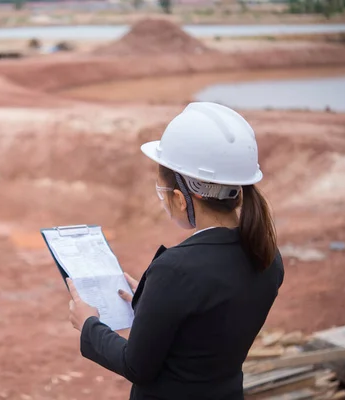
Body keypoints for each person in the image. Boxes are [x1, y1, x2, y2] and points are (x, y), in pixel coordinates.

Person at [66, 102, 284, 400]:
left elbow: (137, 365)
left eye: (162, 192)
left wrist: (88, 324)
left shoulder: (176, 270)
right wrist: (149, 302)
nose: (162, 201)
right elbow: (203, 332)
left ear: (182, 199)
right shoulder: (268, 257)